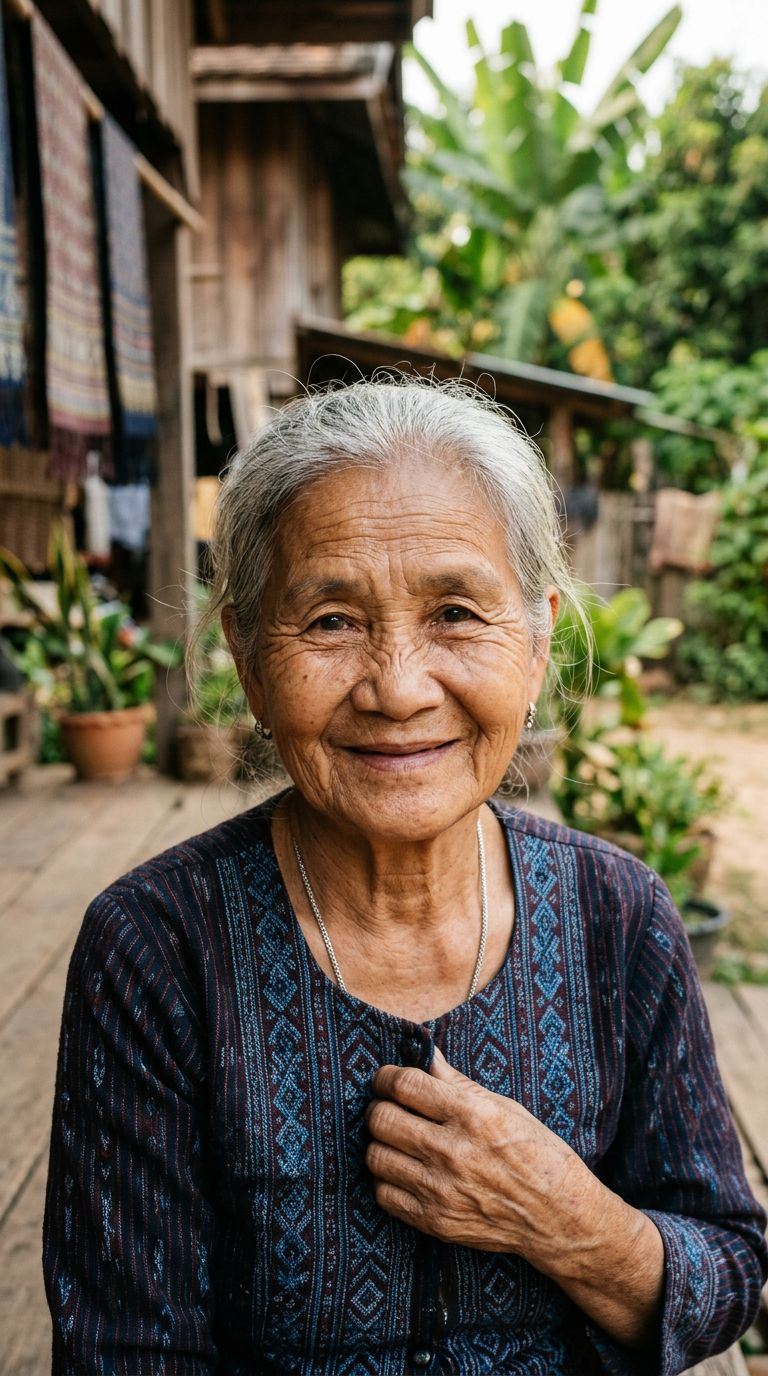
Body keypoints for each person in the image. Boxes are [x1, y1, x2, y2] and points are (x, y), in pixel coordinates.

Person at [43, 378, 767, 1375]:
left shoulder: (619, 914)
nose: (397, 685)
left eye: (458, 611)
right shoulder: (158, 945)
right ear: (249, 659)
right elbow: (126, 1352)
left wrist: (568, 1216)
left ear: (540, 637)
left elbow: (728, 1265)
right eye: (331, 620)